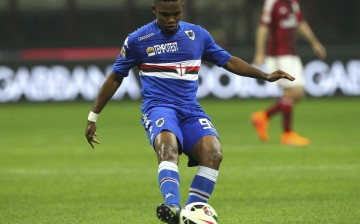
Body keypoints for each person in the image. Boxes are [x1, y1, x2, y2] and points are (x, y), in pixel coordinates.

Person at [84, 0, 294, 223]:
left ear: (182, 8)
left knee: (213, 153)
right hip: (158, 107)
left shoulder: (197, 35)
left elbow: (228, 61)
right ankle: (173, 207)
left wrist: (264, 75)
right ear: (153, 10)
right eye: (165, 15)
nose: (171, 19)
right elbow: (116, 76)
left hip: (190, 110)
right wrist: (93, 116)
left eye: (176, 14)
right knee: (167, 146)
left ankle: (189, 213)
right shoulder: (138, 40)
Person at [251, 0, 327, 146]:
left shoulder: (292, 2)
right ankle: (287, 134)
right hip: (278, 54)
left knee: (298, 93)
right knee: (293, 91)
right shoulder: (272, 2)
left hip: (291, 53)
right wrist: (259, 52)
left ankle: (263, 116)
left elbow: (300, 23)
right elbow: (263, 27)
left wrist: (314, 42)